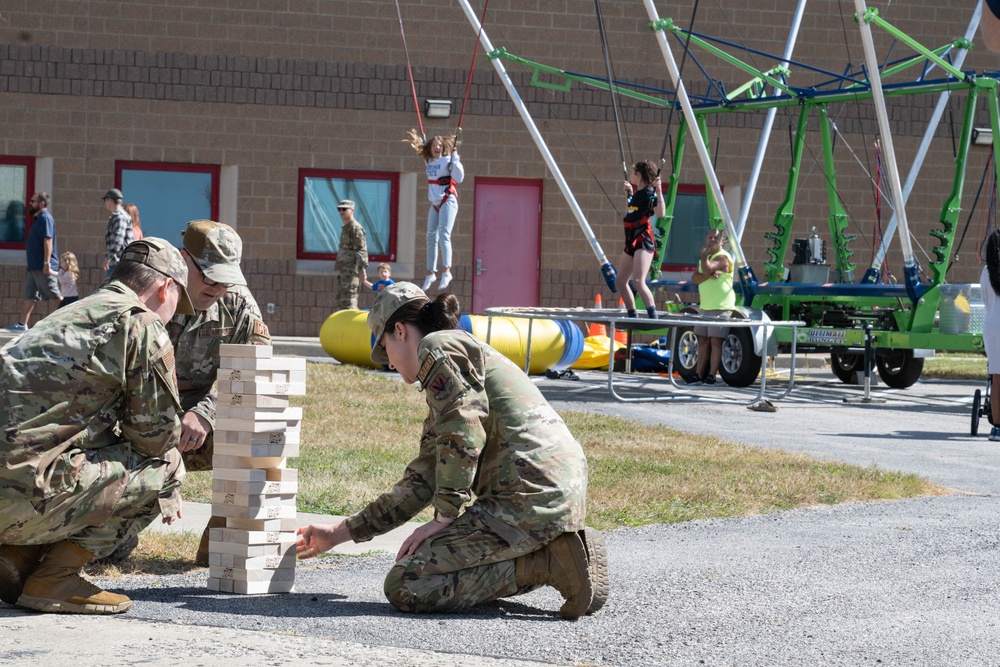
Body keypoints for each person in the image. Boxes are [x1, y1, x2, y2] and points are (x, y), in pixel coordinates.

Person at [296, 282, 609, 619]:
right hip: (554, 493)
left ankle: (546, 561)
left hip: (525, 499)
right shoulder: (460, 359)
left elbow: (464, 429)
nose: (387, 363)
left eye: (384, 347)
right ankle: (555, 549)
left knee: (407, 581)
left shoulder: (436, 348)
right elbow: (420, 483)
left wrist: (444, 517)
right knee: (428, 569)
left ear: (399, 331)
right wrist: (338, 534)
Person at [0, 237, 194, 615]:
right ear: (165, 287)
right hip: (20, 498)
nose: (175, 314)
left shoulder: (61, 316)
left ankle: (16, 557)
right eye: (177, 305)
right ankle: (54, 577)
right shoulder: (139, 322)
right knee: (166, 466)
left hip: (16, 483)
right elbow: (155, 438)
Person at [164, 220, 271, 566]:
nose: (218, 286)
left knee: (263, 435)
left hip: (197, 428)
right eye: (209, 275)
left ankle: (221, 548)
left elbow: (255, 369)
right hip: (141, 421)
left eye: (226, 277)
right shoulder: (154, 292)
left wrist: (206, 413)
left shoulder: (237, 303)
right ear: (184, 260)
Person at [405, 130, 465, 292]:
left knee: (444, 233)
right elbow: (424, 154)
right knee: (430, 235)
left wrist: (456, 159)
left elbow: (459, 178)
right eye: (434, 145)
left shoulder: (448, 160)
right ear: (430, 148)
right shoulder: (429, 162)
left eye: (439, 145)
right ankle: (430, 273)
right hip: (435, 203)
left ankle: (447, 271)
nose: (437, 147)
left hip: (448, 199)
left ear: (443, 147)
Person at [5, 192, 61, 332]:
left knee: (54, 294)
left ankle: (74, 321)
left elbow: (48, 240)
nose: (30, 203)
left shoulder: (45, 218)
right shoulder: (38, 219)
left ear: (41, 203)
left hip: (43, 267)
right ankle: (22, 324)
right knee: (29, 295)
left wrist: (47, 263)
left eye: (33, 201)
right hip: (33, 266)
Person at [618, 161, 665, 319]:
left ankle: (653, 315)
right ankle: (632, 314)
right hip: (631, 238)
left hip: (643, 239)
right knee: (621, 281)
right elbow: (631, 210)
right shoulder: (638, 194)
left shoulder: (649, 193)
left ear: (638, 175)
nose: (631, 175)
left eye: (633, 172)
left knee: (638, 280)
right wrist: (629, 195)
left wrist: (659, 191)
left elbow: (660, 213)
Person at [691, 228, 736, 385]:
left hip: (721, 306)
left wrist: (705, 262)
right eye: (709, 237)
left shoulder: (723, 257)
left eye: (716, 238)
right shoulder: (705, 259)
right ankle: (698, 374)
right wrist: (707, 275)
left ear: (722, 241)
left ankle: (711, 375)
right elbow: (694, 279)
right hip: (705, 306)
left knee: (715, 341)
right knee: (703, 340)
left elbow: (709, 268)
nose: (712, 240)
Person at [981, 230, 1000, 440]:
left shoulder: (987, 272)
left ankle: (997, 426)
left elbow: (986, 301)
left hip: (993, 326)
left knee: (997, 379)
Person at [335, 199, 369, 310]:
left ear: (352, 210)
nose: (341, 211)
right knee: (341, 302)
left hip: (352, 272)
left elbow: (361, 250)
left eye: (344, 209)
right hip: (344, 271)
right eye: (339, 209)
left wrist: (362, 270)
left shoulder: (355, 228)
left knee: (349, 302)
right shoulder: (346, 227)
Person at [101, 188, 133, 276]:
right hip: (120, 263)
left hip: (119, 263)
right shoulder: (120, 216)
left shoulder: (120, 217)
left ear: (110, 200)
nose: (105, 203)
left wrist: (108, 257)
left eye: (105, 200)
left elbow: (118, 239)